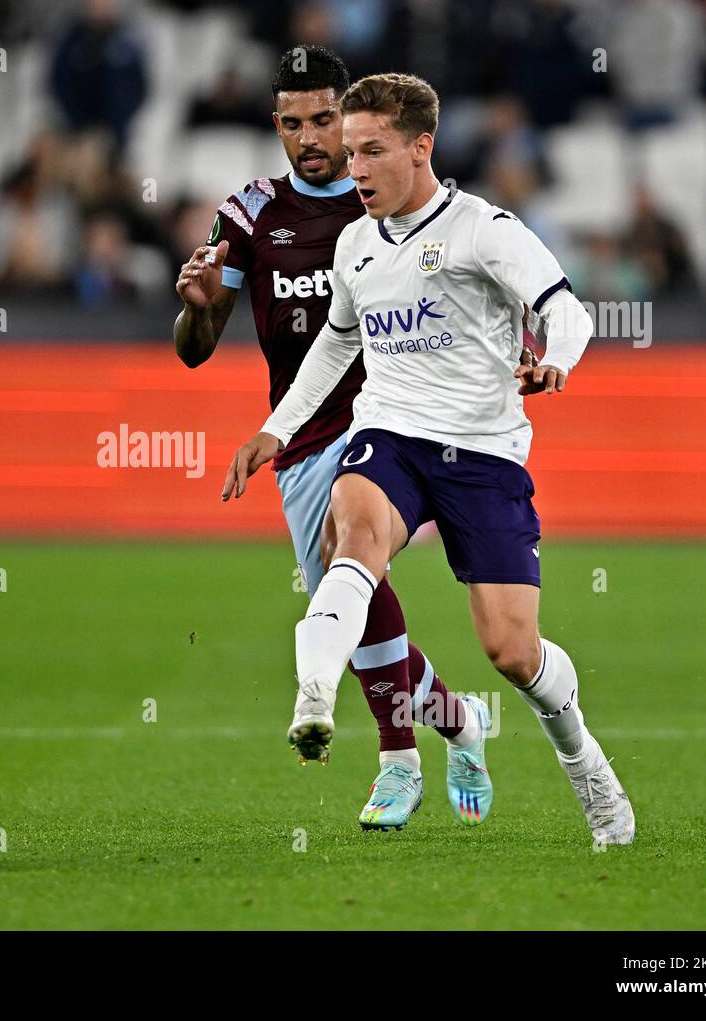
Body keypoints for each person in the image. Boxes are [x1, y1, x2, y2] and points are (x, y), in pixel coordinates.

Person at [221, 72, 635, 846]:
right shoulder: (355, 242)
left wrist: (557, 363)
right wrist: (277, 427)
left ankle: (585, 761)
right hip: (391, 436)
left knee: (510, 650)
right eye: (350, 152)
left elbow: (565, 311)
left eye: (373, 151)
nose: (357, 170)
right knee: (349, 539)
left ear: (422, 147)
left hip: (482, 452)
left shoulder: (484, 228)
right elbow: (339, 339)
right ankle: (315, 693)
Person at [176, 46, 493, 831]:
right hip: (304, 432)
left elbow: (462, 264)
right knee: (348, 611)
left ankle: (398, 761)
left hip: (393, 420)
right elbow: (194, 346)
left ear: (347, 114)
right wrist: (199, 305)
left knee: (350, 587)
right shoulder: (250, 213)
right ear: (276, 125)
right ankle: (457, 720)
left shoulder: (381, 192)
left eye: (325, 119)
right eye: (294, 123)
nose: (312, 137)